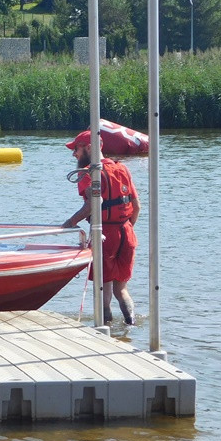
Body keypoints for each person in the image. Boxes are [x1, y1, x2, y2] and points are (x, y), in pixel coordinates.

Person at [61, 130, 140, 325]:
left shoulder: (89, 173)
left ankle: (106, 330)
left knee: (103, 289)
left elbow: (90, 206)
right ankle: (129, 327)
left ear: (89, 148)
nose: (74, 155)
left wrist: (69, 224)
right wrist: (127, 228)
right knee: (121, 289)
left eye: (76, 150)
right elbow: (137, 207)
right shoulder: (122, 168)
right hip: (127, 233)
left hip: (105, 234)